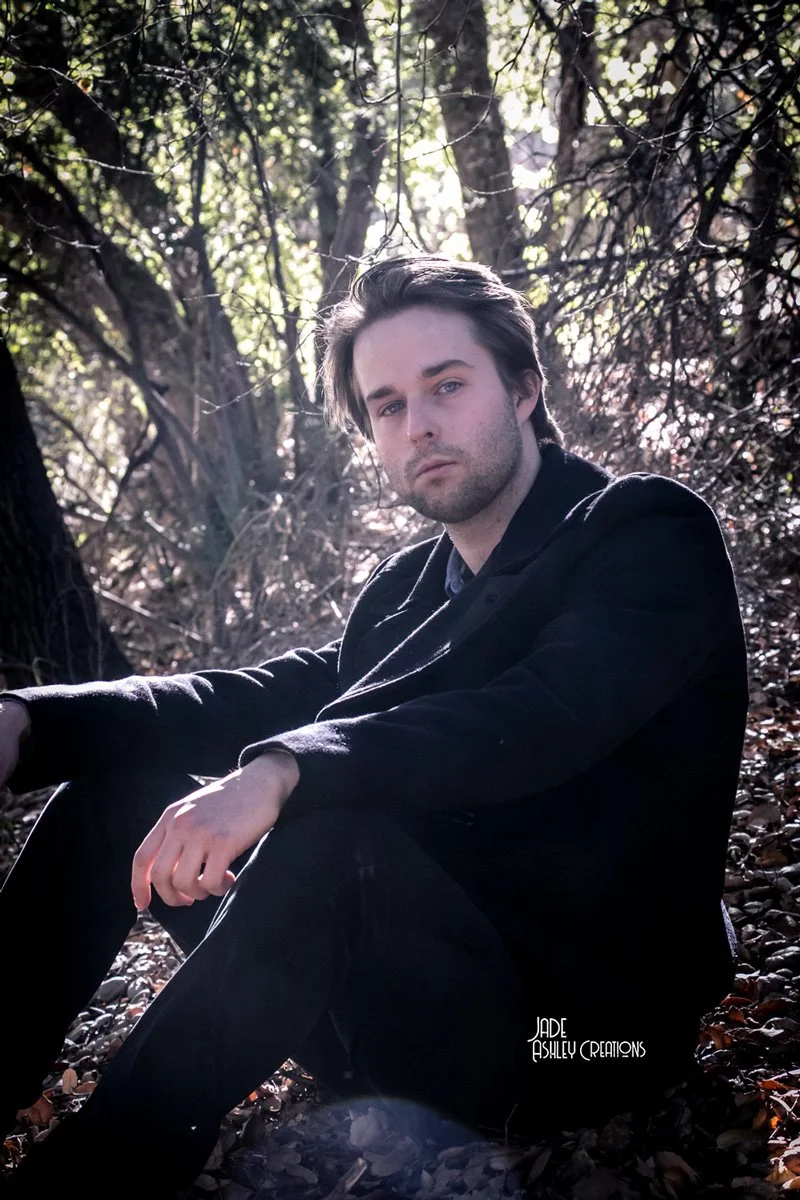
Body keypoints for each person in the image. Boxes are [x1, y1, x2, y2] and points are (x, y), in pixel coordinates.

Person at [0, 255, 748, 1197]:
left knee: (334, 829)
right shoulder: (405, 591)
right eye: (387, 405)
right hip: (398, 1012)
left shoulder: (642, 535)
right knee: (121, 791)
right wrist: (28, 723)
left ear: (523, 387)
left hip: (583, 1038)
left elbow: (533, 717)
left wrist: (279, 774)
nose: (420, 424)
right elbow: (259, 694)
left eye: (447, 385)